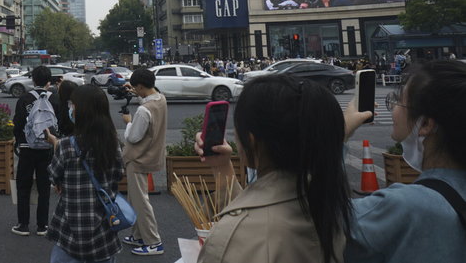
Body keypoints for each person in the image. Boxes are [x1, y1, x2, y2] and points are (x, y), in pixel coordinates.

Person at [195, 74, 352, 263]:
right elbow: (265, 208)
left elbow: (254, 221)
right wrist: (222, 167)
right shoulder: (323, 199)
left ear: (251, 140)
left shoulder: (235, 236)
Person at [343, 60, 466, 262]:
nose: (393, 109)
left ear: (425, 123)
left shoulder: (403, 207)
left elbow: (313, 225)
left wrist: (340, 135)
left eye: (398, 101)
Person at [44, 85, 124, 262]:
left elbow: (54, 176)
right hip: (103, 232)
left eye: (73, 105)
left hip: (70, 230)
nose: (71, 108)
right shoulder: (113, 144)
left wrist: (55, 143)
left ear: (82, 111)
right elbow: (118, 175)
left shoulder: (66, 145)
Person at [120, 68, 167, 256]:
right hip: (152, 154)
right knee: (135, 199)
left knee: (141, 202)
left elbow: (133, 137)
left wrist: (128, 122)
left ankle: (154, 242)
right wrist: (135, 93)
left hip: (137, 159)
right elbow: (147, 100)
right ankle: (139, 235)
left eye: (136, 88)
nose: (135, 91)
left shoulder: (143, 111)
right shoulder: (160, 99)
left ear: (140, 85)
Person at [11, 65, 59, 236]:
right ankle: (42, 226)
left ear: (32, 79)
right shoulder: (55, 99)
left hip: (27, 147)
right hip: (47, 148)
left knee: (23, 186)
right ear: (49, 80)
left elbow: (17, 124)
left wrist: (18, 140)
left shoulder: (24, 98)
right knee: (44, 187)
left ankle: (23, 224)